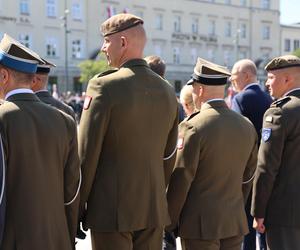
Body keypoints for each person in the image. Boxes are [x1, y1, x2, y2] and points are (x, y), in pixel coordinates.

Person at [78, 13, 178, 250]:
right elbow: (169, 155)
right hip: (152, 208)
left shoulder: (103, 85)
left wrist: (77, 206)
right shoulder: (166, 90)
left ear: (122, 42)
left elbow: (87, 153)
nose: (103, 48)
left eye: (106, 41)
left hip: (111, 210)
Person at [166, 57, 258, 250]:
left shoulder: (193, 126)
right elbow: (248, 178)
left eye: (194, 87)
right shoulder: (246, 126)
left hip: (199, 225)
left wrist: (168, 222)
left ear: (199, 89)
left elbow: (182, 178)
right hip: (233, 221)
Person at [0, 34, 80, 250]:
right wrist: (68, 234)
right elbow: (72, 191)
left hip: (13, 239)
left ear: (4, 75)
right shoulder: (64, 119)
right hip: (58, 237)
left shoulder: (3, 117)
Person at [251, 55, 300, 250]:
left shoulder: (280, 112)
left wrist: (258, 211)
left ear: (287, 79)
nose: (267, 83)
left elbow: (266, 167)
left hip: (284, 213)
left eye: (271, 77)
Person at [230, 59, 272, 250]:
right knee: (263, 223)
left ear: (246, 75)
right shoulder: (269, 98)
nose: (232, 80)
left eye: (234, 75)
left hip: (247, 169)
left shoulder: (240, 99)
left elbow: (236, 135)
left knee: (247, 223)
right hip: (267, 167)